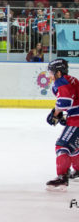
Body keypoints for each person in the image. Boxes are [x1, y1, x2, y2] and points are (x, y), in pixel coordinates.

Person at [45, 59, 79, 190]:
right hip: (75, 117)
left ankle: (62, 178)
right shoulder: (69, 79)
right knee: (74, 146)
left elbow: (65, 102)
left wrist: (56, 113)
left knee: (62, 146)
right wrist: (65, 115)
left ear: (58, 73)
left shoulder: (62, 82)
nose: (50, 75)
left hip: (77, 120)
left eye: (51, 72)